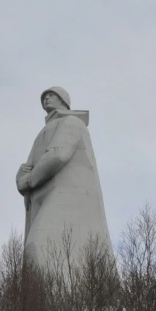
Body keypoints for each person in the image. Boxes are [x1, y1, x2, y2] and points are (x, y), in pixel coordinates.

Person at [16, 86, 112, 275]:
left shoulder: (72, 123)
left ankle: (61, 302)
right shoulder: (43, 133)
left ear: (63, 100)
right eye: (44, 97)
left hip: (68, 197)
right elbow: (29, 165)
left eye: (51, 95)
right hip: (43, 196)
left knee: (38, 245)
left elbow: (57, 155)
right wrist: (21, 177)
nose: (46, 99)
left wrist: (28, 181)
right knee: (35, 252)